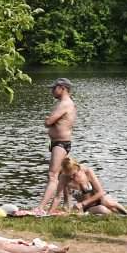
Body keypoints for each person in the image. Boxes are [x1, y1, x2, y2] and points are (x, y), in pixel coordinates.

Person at [37, 78, 75, 213]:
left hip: (61, 143)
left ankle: (40, 207)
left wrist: (48, 119)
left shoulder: (64, 104)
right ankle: (67, 205)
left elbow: (49, 122)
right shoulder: (65, 103)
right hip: (59, 143)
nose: (52, 91)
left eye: (54, 88)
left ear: (62, 88)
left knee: (52, 175)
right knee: (62, 175)